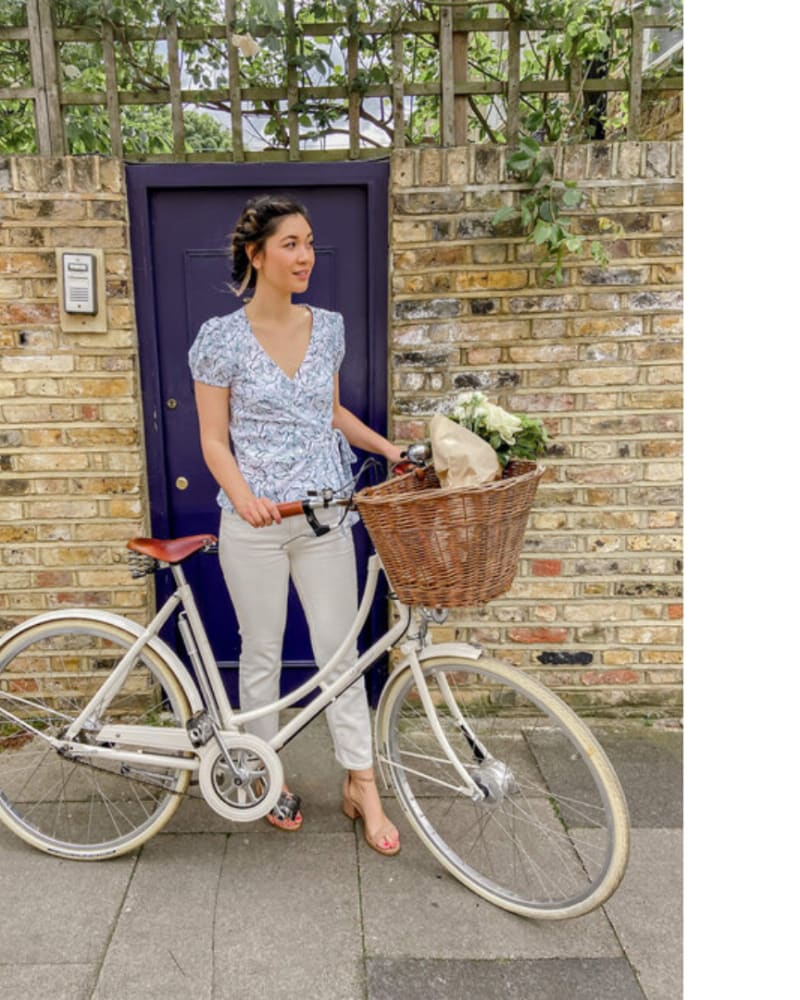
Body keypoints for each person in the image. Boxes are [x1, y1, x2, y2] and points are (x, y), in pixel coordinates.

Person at [188, 195, 403, 855]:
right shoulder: (219, 339)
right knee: (262, 653)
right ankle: (260, 772)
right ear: (257, 255)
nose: (305, 255)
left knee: (340, 654)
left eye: (308, 242)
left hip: (325, 517)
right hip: (252, 524)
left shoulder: (329, 326)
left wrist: (392, 451)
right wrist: (243, 496)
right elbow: (214, 441)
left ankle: (361, 782)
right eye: (290, 243)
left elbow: (331, 414)